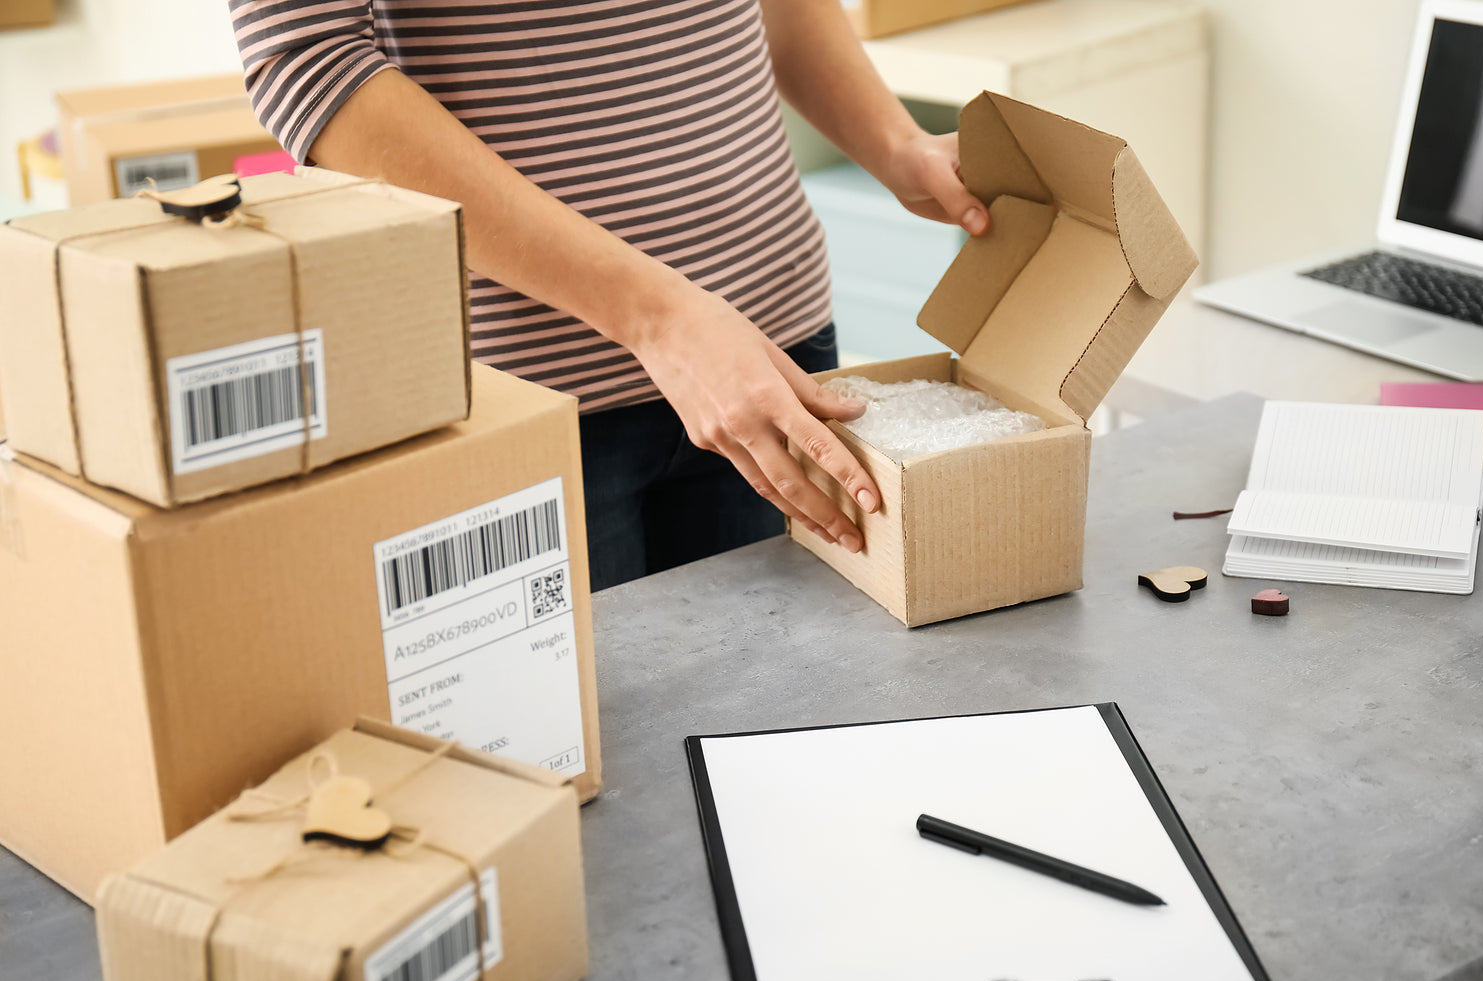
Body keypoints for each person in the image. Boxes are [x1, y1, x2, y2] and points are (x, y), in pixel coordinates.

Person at [230, 0, 989, 589]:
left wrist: (896, 144)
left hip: (776, 356)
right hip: (525, 397)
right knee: (599, 767)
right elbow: (310, 64)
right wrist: (657, 319)